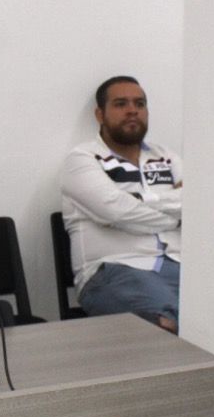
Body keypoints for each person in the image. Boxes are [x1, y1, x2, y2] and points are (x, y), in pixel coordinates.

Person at [61, 76, 182, 332]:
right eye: (120, 104)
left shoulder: (167, 157)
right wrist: (176, 216)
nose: (132, 110)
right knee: (166, 326)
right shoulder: (82, 159)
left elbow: (201, 204)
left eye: (140, 104)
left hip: (179, 264)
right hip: (115, 270)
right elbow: (117, 212)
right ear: (100, 114)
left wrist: (143, 200)